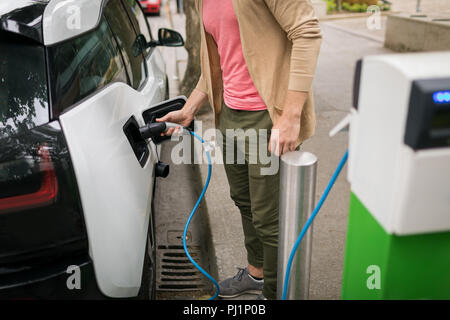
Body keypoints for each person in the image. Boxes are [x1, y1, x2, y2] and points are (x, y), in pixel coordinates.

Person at [157, 0, 322, 300]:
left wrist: (290, 116)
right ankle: (257, 273)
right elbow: (217, 60)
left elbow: (307, 33)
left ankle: (275, 294)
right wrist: (190, 107)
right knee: (244, 200)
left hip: (267, 116)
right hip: (230, 112)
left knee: (270, 219)